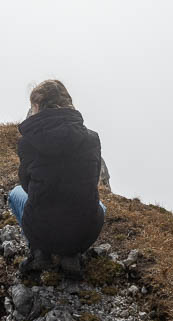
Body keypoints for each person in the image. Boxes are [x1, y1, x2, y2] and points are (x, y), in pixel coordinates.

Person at [8, 79, 106, 279]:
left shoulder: (28, 141)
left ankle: (39, 252)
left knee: (14, 194)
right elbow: (93, 182)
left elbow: (27, 185)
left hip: (41, 230)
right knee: (101, 207)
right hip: (83, 233)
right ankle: (71, 256)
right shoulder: (91, 138)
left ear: (37, 106)